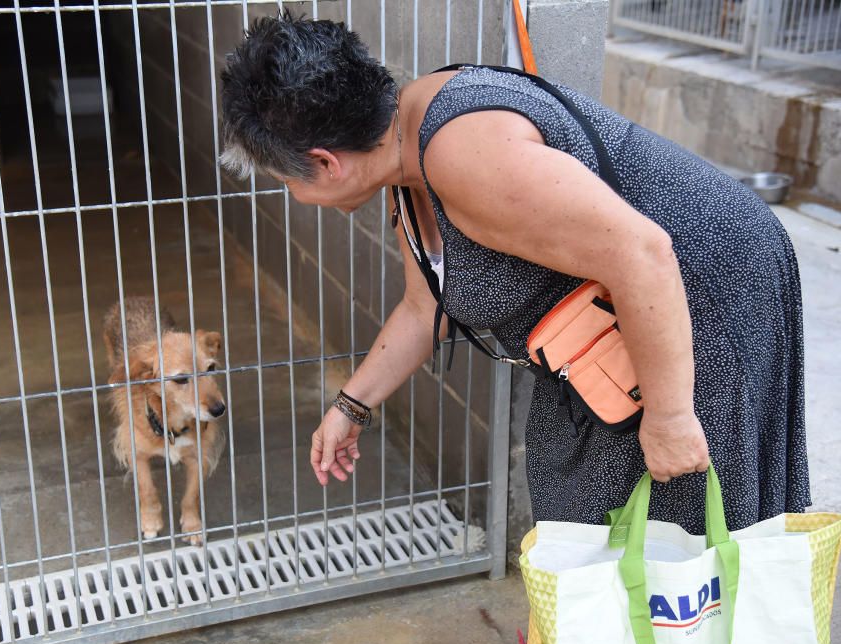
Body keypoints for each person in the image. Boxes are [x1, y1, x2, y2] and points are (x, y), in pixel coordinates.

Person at [219, 5, 808, 589]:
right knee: (593, 532)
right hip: (607, 332)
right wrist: (351, 406)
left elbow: (644, 255)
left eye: (288, 181)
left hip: (704, 293)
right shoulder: (403, 148)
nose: (294, 196)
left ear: (326, 163)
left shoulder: (463, 153)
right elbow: (428, 306)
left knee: (680, 541)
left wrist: (672, 415)